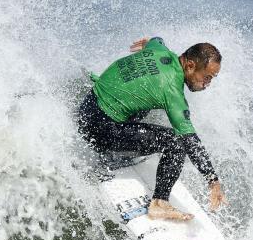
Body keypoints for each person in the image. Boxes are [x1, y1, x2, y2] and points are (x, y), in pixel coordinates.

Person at [78, 36, 228, 221]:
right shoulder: (171, 89)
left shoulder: (159, 51)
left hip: (88, 107)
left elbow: (156, 39)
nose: (207, 84)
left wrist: (147, 43)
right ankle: (159, 204)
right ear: (190, 66)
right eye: (206, 77)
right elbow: (190, 141)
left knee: (145, 95)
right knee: (176, 142)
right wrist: (213, 181)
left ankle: (121, 143)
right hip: (98, 129)